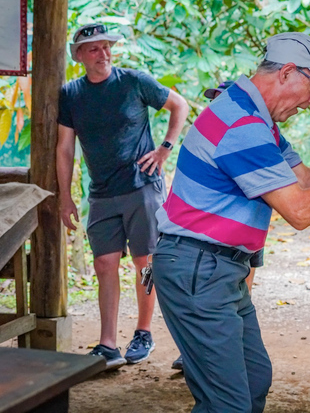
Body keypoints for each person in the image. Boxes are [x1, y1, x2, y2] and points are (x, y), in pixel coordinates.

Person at [152, 32, 310, 413]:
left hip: (217, 268)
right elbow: (300, 211)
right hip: (198, 268)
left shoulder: (257, 119)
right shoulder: (242, 124)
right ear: (288, 72)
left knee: (254, 378)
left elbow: (304, 178)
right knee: (228, 404)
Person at [57, 23, 189, 369]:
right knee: (104, 264)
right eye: (94, 49)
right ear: (80, 56)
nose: (103, 54)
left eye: (106, 47)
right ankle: (108, 345)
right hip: (101, 193)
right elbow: (64, 148)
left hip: (141, 187)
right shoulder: (71, 94)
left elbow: (180, 106)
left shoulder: (134, 81)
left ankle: (143, 333)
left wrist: (164, 149)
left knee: (146, 263)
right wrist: (64, 196)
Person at [169, 80, 263, 373]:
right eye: (215, 99)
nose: (218, 105)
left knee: (244, 276)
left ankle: (221, 340)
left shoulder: (247, 134)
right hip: (206, 247)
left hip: (241, 234)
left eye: (223, 99)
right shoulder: (213, 134)